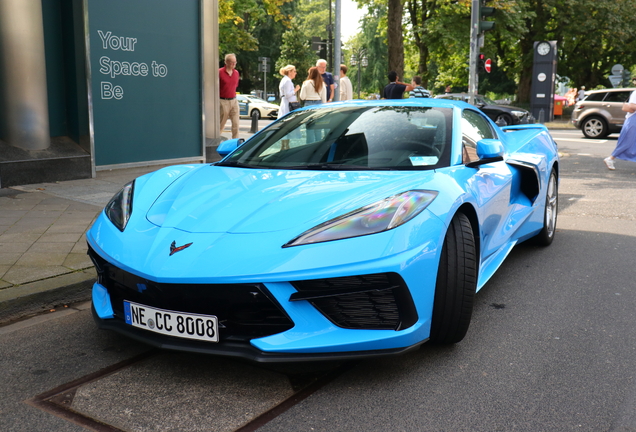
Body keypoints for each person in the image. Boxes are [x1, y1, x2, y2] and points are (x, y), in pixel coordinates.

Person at [603, 90, 636, 170]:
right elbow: (632, 106)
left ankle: (611, 159)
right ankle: (610, 158)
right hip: (633, 119)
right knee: (627, 141)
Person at [219, 53, 240, 138]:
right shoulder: (220, 72)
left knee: (236, 124)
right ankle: (215, 141)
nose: (234, 64)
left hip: (234, 100)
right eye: (232, 62)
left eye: (235, 62)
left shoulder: (236, 73)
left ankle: (236, 144)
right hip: (223, 101)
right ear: (226, 62)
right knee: (221, 123)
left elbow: (236, 85)